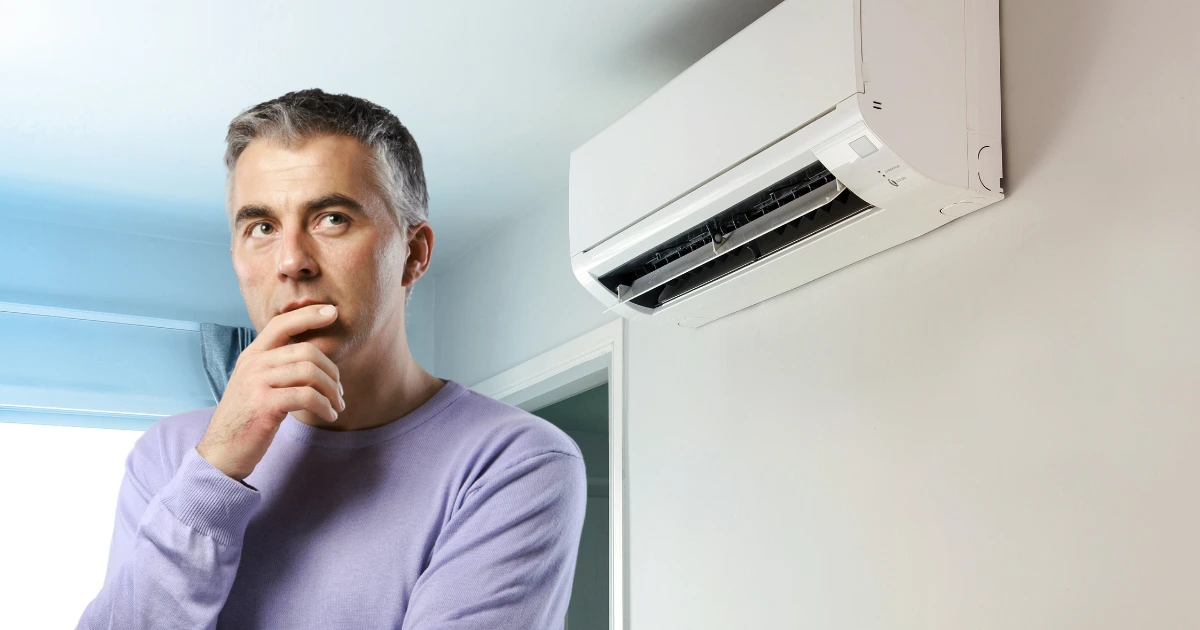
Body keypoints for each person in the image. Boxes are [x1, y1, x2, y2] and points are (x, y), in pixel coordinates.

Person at [76, 88, 588, 629]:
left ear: (413, 255)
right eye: (262, 228)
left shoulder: (514, 462)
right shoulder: (172, 456)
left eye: (332, 218)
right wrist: (218, 468)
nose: (291, 261)